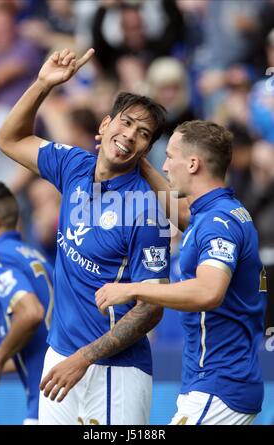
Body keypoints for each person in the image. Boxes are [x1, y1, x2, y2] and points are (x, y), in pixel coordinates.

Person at [0, 48, 170, 425]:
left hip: (115, 370)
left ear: (146, 151)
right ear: (105, 124)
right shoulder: (74, 166)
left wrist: (85, 358)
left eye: (142, 135)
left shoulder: (149, 209)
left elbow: (152, 306)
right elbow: (9, 139)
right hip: (59, 356)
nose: (128, 137)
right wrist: (43, 84)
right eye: (124, 124)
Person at [96, 120, 267, 425]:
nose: (164, 165)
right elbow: (182, 214)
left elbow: (208, 291)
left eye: (170, 156)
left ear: (192, 163)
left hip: (220, 386)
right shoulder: (217, 212)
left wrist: (133, 289)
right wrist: (140, 163)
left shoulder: (218, 222)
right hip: (219, 382)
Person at [0, 182, 53, 424]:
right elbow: (44, 340)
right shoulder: (33, 256)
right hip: (64, 393)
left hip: (47, 401)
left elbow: (31, 314)